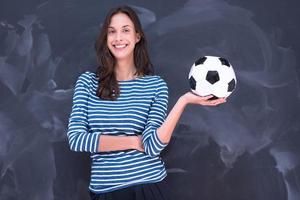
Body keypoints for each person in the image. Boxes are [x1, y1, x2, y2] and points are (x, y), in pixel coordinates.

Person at [67, 5, 226, 200]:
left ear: (137, 36)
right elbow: (76, 139)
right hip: (106, 191)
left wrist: (183, 101)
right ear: (106, 38)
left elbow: (152, 146)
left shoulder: (155, 86)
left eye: (125, 30)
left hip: (149, 188)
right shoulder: (87, 82)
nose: (118, 38)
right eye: (112, 32)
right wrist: (134, 141)